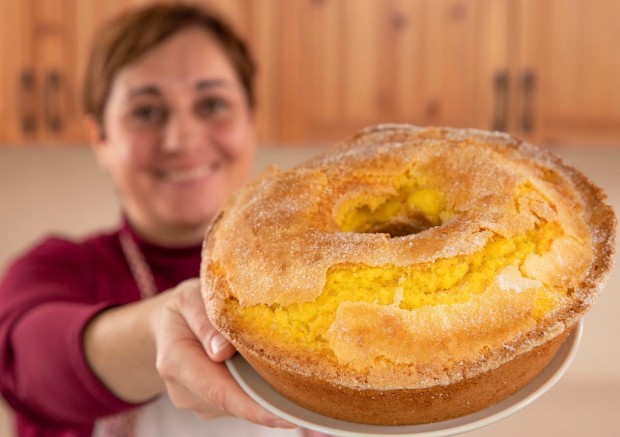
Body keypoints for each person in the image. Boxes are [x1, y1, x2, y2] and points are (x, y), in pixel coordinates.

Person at [0, 4, 327, 437]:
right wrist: (159, 329)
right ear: (100, 138)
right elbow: (28, 368)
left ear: (252, 121)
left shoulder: (318, 280)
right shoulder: (55, 270)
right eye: (146, 112)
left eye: (212, 104)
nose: (181, 140)